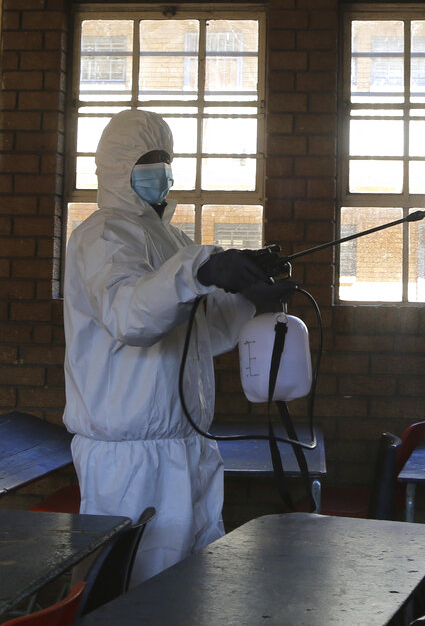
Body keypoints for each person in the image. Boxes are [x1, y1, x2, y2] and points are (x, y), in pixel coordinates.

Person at [63, 109, 294, 585]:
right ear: (116, 168)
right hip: (129, 458)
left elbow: (199, 334)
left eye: (165, 159)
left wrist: (246, 301)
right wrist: (200, 270)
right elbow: (130, 316)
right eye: (148, 160)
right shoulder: (102, 235)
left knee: (187, 590)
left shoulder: (171, 238)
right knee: (132, 594)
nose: (161, 170)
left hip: (186, 445)